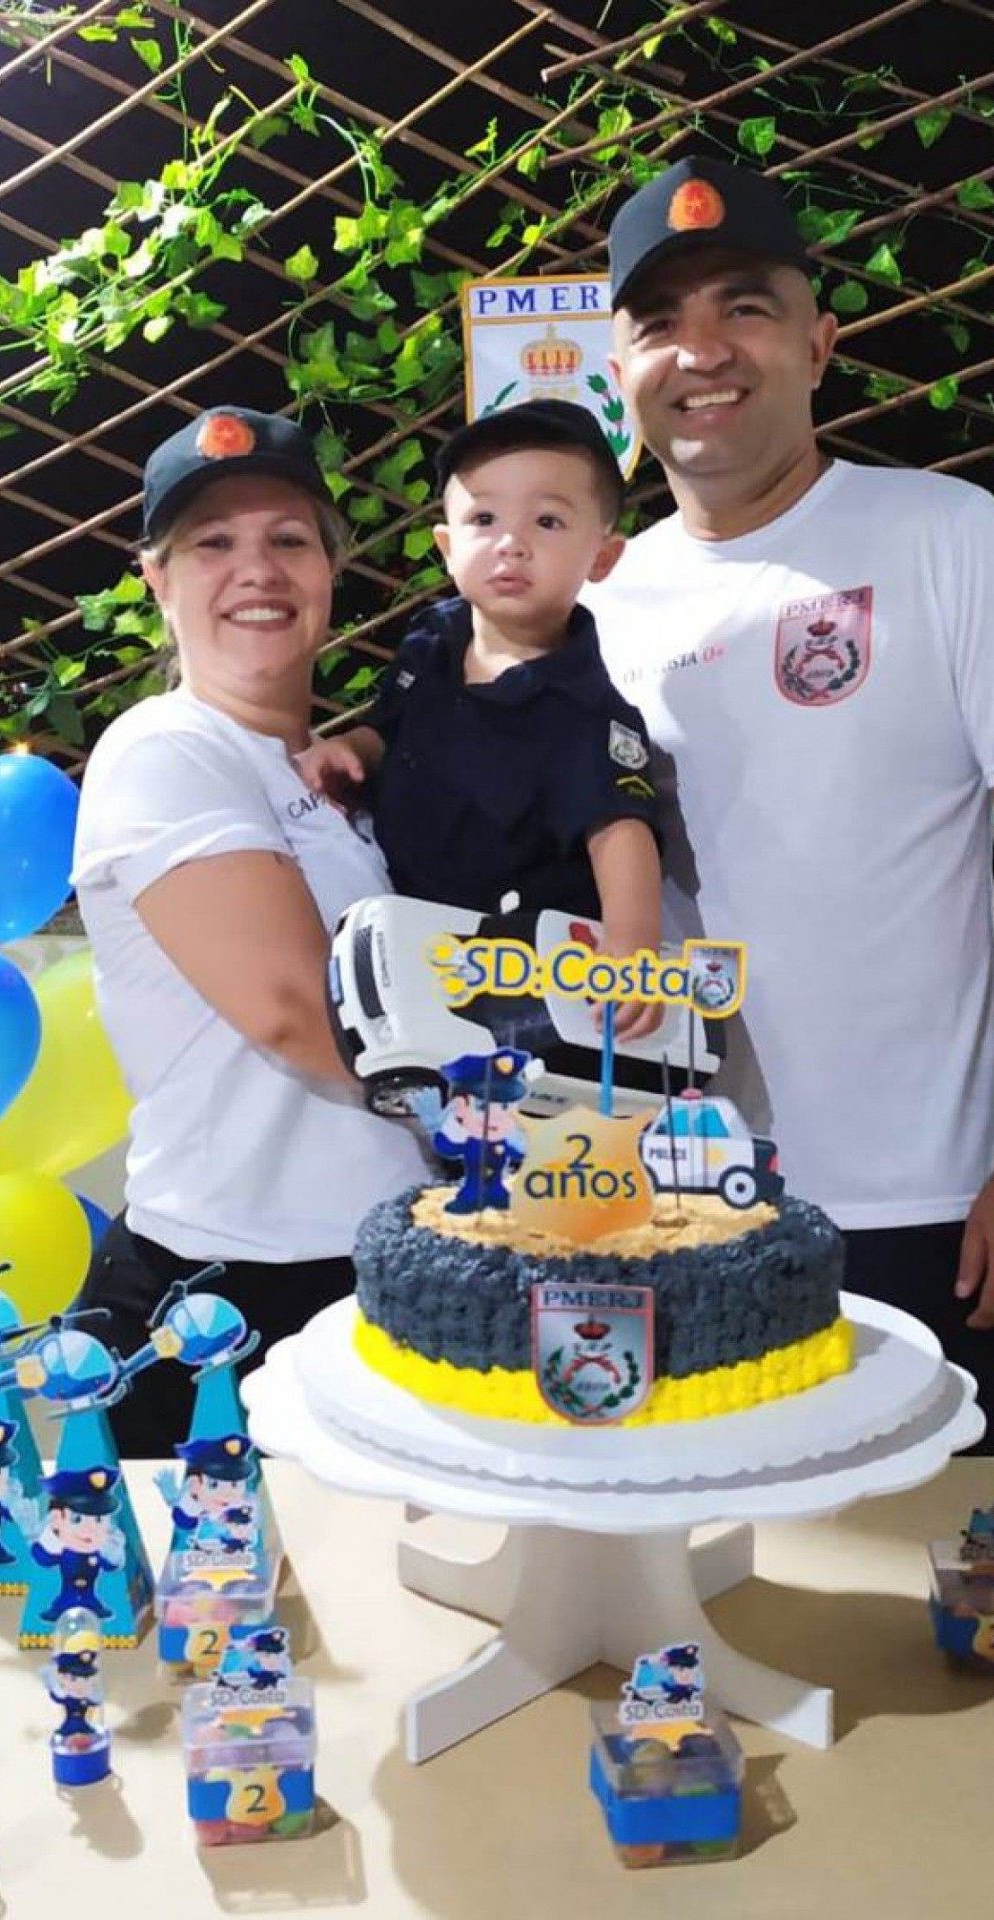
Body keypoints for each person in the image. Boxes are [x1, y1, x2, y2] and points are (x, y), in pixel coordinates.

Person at [589, 154, 994, 1439]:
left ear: (819, 344)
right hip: (694, 1213)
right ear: (617, 374)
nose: (699, 352)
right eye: (659, 322)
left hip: (934, 1211)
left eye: (742, 308)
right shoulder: (600, 606)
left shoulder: (947, 538)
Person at [72, 406, 427, 1456]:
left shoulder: (329, 781)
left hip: (377, 1268)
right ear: (157, 581)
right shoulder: (165, 749)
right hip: (225, 1293)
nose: (256, 571)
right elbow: (294, 1012)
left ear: (328, 567)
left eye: (286, 539)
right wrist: (528, 1122)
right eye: (212, 545)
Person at [297, 400, 663, 1038]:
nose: (511, 544)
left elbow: (620, 831)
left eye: (548, 521)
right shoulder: (432, 638)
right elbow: (390, 728)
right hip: (401, 938)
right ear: (446, 545)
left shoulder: (586, 709)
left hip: (514, 979)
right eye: (483, 518)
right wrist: (349, 749)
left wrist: (633, 949)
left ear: (603, 557)